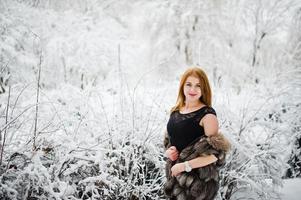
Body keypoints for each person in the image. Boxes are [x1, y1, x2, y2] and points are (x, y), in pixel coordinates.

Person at [163, 67, 230, 200]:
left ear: (204, 89)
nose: (192, 90)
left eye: (198, 85)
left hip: (198, 186)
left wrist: (184, 166)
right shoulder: (175, 112)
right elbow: (170, 142)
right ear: (182, 86)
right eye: (189, 84)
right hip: (175, 180)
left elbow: (216, 156)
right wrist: (168, 152)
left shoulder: (207, 115)